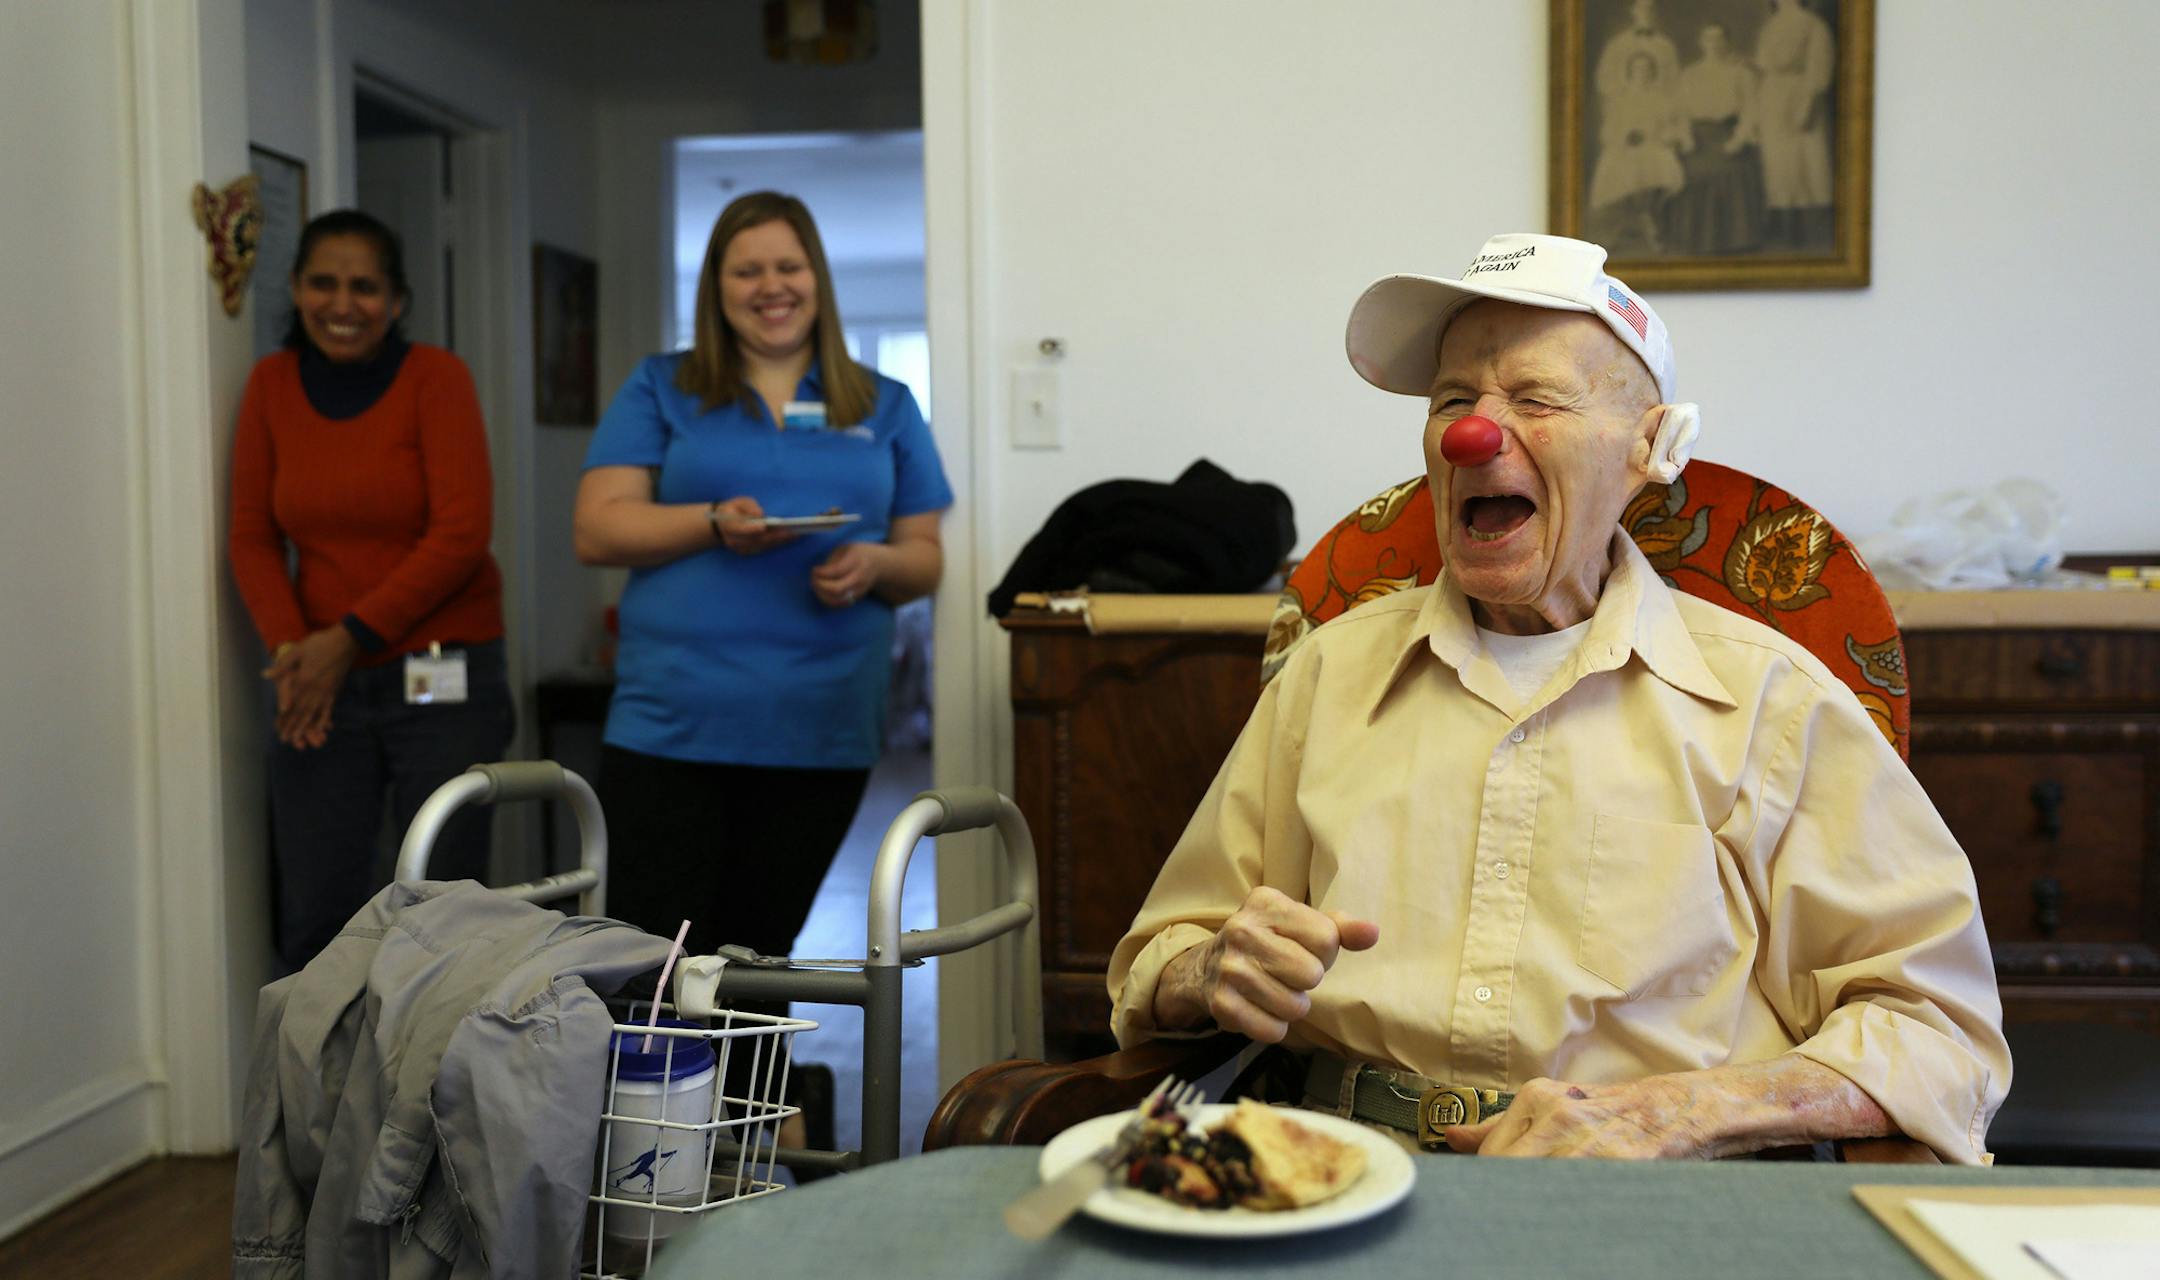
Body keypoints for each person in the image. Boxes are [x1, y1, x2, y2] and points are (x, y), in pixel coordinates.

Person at [1109, 233, 2009, 1163]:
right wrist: (1207, 970)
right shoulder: (1329, 674)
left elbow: (1938, 1033)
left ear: (1649, 447)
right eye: (1454, 400)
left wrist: (1680, 1114)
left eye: (1535, 399)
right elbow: (1160, 953)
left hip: (1658, 1202)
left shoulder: (1770, 701)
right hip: (1345, 1179)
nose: (1475, 434)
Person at [573, 189, 951, 976]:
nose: (770, 286)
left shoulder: (886, 404)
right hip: (671, 723)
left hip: (820, 727)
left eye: (788, 266)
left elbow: (924, 556)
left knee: (757, 962)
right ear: (717, 287)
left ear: (817, 278)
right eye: (747, 270)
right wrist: (711, 520)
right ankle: (657, 1106)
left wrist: (876, 564)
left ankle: (755, 1102)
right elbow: (598, 527)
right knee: (650, 968)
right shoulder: (661, 386)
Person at [229, 209, 513, 974]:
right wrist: (295, 654)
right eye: (323, 283)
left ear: (396, 299)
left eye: (365, 286)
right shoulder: (271, 385)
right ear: (295, 289)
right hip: (318, 687)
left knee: (443, 911)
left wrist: (341, 641)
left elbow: (460, 534)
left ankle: (435, 1091)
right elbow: (252, 536)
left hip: (443, 675)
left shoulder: (437, 379)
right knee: (316, 912)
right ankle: (322, 1095)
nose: (342, 304)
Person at [1667, 22, 1766, 255]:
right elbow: (1680, 112)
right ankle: (1696, 240)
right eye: (1709, 39)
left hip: (1728, 133)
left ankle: (1735, 241)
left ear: (1727, 42)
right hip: (1698, 137)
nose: (1714, 44)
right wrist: (1685, 138)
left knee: (1731, 170)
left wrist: (1739, 140)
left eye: (1719, 39)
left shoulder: (1741, 74)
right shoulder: (1689, 75)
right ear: (1702, 43)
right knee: (1692, 172)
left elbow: (1752, 110)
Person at [1586, 50, 1688, 256]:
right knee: (1628, 171)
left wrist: (1658, 136)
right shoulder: (1619, 99)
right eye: (1638, 69)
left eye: (1647, 69)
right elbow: (1609, 131)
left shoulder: (1662, 98)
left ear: (1653, 72)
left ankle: (1645, 220)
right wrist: (1625, 136)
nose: (1643, 73)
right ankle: (1644, 223)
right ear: (1630, 71)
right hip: (1624, 149)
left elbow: (1673, 126)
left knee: (1659, 168)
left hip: (1654, 145)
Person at [1756, 0, 1837, 249]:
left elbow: (1820, 67)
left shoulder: (1814, 25)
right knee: (1778, 162)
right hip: (1772, 96)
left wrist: (1808, 104)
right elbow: (1764, 62)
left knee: (1805, 161)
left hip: (1800, 94)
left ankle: (1808, 228)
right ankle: (1784, 221)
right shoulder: (1771, 25)